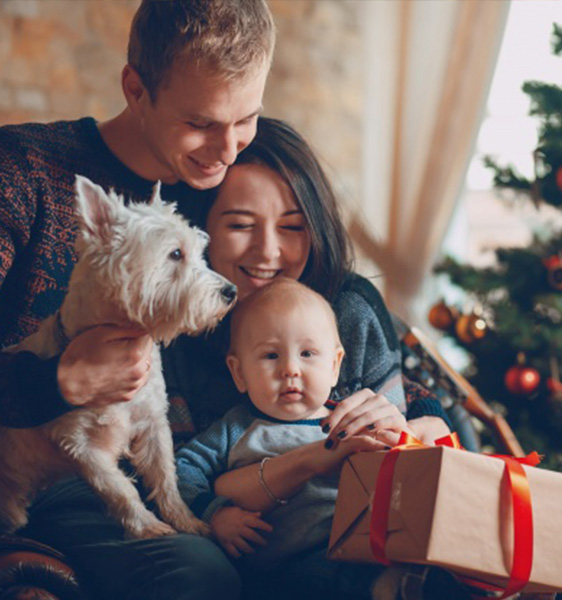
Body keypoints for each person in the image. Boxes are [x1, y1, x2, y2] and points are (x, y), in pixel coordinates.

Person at [0, 1, 275, 599]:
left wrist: (413, 400)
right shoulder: (18, 175)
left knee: (205, 578)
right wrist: (56, 382)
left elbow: (318, 280)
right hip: (18, 461)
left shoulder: (226, 185)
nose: (228, 149)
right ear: (135, 88)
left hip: (143, 468)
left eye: (248, 118)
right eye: (201, 122)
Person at [162, 117, 459, 599]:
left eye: (292, 227)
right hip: (257, 557)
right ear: (200, 230)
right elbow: (177, 473)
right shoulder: (171, 329)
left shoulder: (348, 307)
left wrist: (408, 423)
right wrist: (216, 515)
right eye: (239, 224)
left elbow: (412, 417)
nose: (268, 250)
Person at [176, 277, 397, 599]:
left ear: (335, 366)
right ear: (239, 373)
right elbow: (181, 470)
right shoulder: (234, 428)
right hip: (280, 570)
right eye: (270, 356)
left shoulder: (349, 421)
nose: (290, 369)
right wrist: (216, 513)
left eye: (307, 353)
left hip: (361, 546)